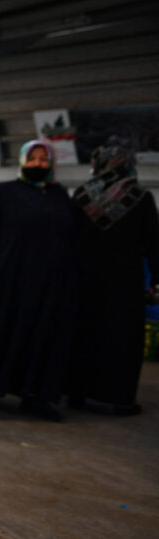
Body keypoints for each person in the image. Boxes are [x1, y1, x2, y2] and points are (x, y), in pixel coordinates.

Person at [0, 140, 77, 421]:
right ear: (22, 161)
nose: (39, 164)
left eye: (44, 159)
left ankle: (37, 397)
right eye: (34, 158)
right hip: (12, 281)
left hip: (52, 285)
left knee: (46, 337)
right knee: (1, 333)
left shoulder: (59, 195)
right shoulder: (4, 193)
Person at [69, 139, 159, 415]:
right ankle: (120, 399)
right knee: (122, 339)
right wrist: (155, 279)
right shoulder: (140, 198)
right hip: (125, 283)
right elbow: (153, 242)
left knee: (83, 335)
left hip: (85, 281)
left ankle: (77, 394)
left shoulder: (82, 196)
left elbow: (69, 239)